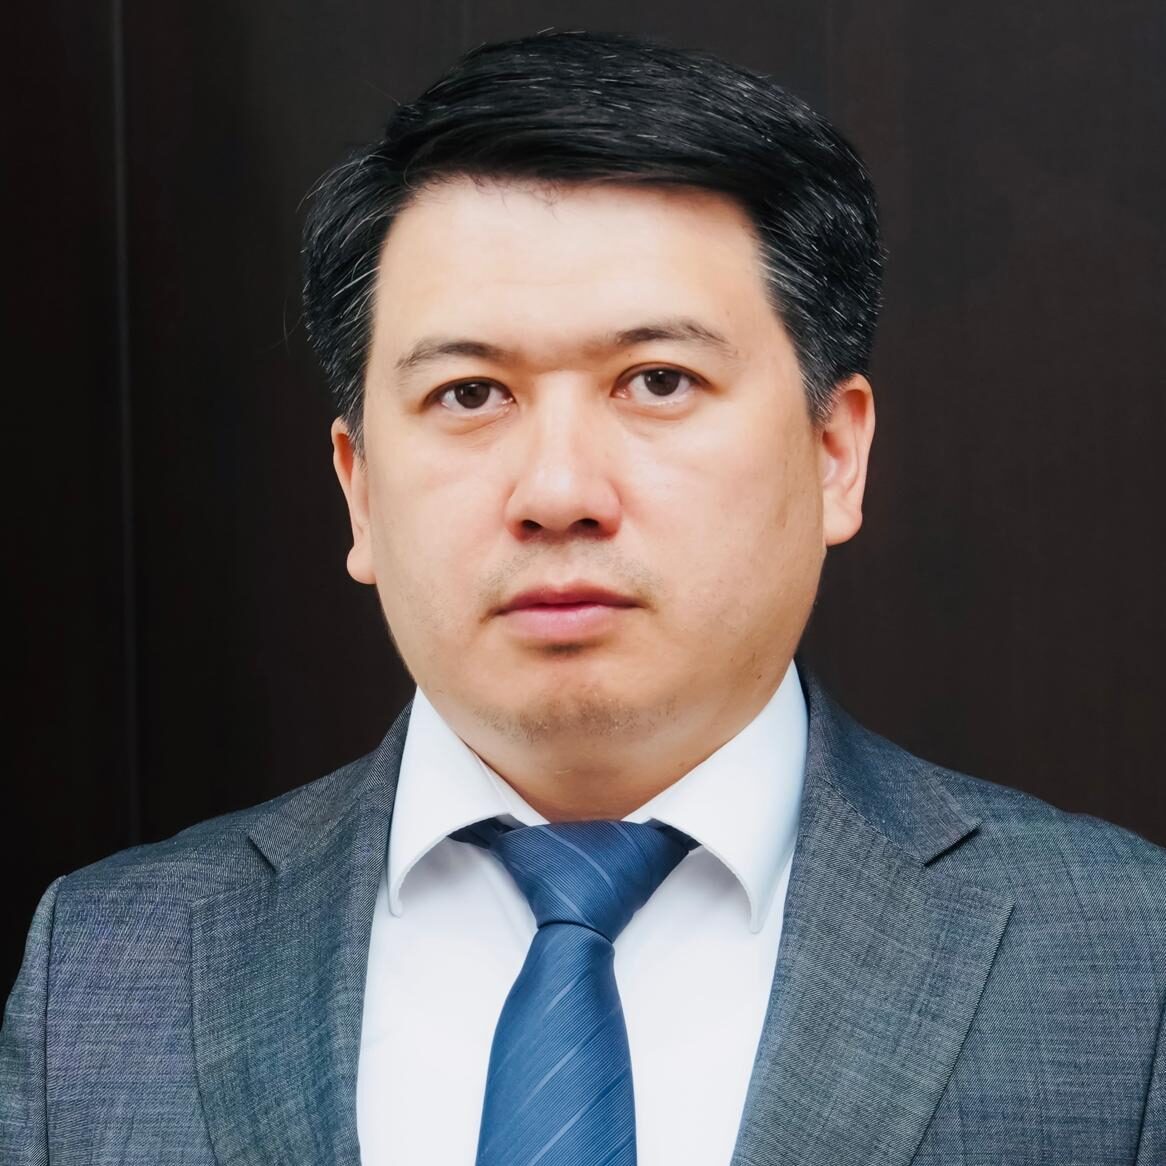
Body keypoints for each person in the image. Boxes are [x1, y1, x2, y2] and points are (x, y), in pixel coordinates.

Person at [2, 27, 1163, 1166]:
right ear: (357, 488)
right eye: (468, 393)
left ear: (832, 452)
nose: (557, 492)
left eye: (657, 380)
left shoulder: (1122, 958)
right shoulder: (103, 969)